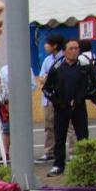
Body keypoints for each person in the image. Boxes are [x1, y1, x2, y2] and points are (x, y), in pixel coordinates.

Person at [42, 39, 94, 176]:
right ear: (64, 51)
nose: (74, 51)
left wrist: (81, 98)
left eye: (76, 48)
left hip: (79, 107)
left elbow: (94, 85)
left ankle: (86, 164)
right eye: (71, 49)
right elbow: (46, 89)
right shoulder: (57, 67)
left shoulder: (84, 66)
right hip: (61, 108)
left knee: (82, 136)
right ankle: (58, 165)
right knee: (59, 137)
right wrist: (58, 102)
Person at [35, 33, 70, 163]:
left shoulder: (65, 58)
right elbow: (42, 76)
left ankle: (73, 152)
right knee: (49, 125)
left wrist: (48, 79)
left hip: (63, 97)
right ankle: (50, 151)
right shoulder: (47, 60)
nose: (45, 45)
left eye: (47, 43)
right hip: (49, 98)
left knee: (69, 126)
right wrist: (44, 79)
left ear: (55, 45)